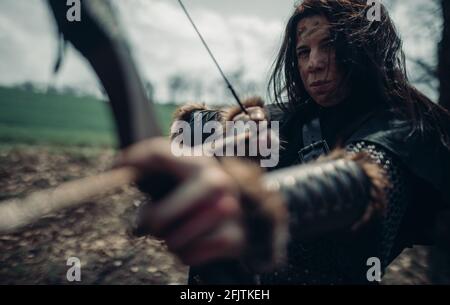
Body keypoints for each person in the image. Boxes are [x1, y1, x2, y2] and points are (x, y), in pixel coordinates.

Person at [117, 0, 450, 284]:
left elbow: (360, 181)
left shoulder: (404, 127)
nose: (314, 63)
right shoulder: (297, 117)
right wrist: (216, 143)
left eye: (330, 46)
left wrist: (252, 201)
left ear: (363, 49)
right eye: (303, 52)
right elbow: (198, 128)